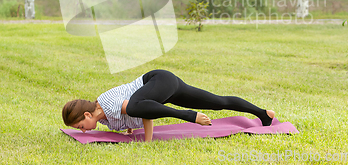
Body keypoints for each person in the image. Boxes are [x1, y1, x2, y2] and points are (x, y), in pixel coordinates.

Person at [62, 69, 275, 142]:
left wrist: (146, 141)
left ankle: (189, 115)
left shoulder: (106, 103)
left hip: (159, 80)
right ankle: (263, 114)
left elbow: (143, 109)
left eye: (81, 125)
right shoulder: (107, 120)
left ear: (88, 114)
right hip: (165, 88)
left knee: (138, 105)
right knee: (217, 102)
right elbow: (135, 112)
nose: (83, 130)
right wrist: (128, 129)